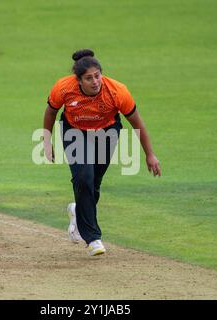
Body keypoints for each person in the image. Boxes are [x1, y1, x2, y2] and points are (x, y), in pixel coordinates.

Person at [43, 49, 161, 256]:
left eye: (97, 76)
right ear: (78, 80)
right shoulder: (63, 88)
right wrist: (47, 141)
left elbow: (137, 123)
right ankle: (93, 239)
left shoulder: (117, 91)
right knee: (83, 178)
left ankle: (78, 214)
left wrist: (149, 154)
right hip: (74, 132)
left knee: (93, 183)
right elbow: (51, 112)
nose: (95, 81)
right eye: (88, 78)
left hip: (107, 131)